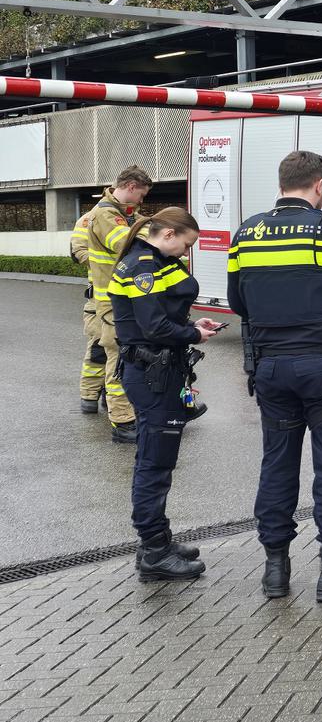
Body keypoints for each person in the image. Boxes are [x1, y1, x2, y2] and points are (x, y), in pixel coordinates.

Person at [227, 150, 322, 602]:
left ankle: (275, 571)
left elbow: (239, 303)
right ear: (318, 185)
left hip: (271, 368)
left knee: (277, 462)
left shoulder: (246, 234)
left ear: (281, 183)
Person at [108, 208, 223, 581]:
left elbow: (160, 315)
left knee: (154, 459)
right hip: (151, 375)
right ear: (170, 234)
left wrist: (191, 324)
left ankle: (156, 541)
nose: (185, 254)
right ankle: (154, 552)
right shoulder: (142, 265)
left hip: (157, 371)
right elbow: (154, 326)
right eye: (186, 245)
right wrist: (193, 335)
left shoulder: (150, 260)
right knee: (155, 464)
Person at [86, 166, 153, 442]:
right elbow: (124, 242)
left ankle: (125, 414)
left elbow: (142, 224)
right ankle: (123, 424)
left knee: (127, 357)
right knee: (119, 359)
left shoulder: (123, 213)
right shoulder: (104, 214)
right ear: (131, 186)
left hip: (121, 299)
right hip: (111, 302)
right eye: (141, 195)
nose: (140, 202)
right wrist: (159, 238)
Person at [70, 206, 107, 414]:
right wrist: (109, 261)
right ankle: (89, 396)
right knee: (98, 350)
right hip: (99, 300)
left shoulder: (131, 218)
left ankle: (110, 395)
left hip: (125, 299)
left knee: (119, 352)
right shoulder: (90, 218)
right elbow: (78, 253)